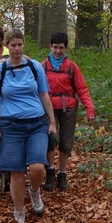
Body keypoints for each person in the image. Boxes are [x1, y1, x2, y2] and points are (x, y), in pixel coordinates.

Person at [0, 28, 56, 223]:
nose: (17, 49)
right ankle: (19, 209)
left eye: (20, 44)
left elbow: (44, 95)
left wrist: (52, 122)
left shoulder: (34, 67)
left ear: (24, 44)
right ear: (7, 47)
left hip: (36, 123)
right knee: (16, 171)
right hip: (11, 124)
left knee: (37, 167)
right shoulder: (0, 70)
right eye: (13, 45)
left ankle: (34, 191)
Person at [42, 32, 95, 190]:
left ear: (66, 48)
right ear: (50, 47)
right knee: (50, 140)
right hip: (48, 108)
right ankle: (50, 172)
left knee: (66, 142)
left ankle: (62, 174)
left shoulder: (72, 67)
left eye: (61, 48)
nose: (58, 51)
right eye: (55, 47)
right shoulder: (42, 66)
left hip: (68, 108)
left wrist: (89, 109)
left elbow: (82, 89)